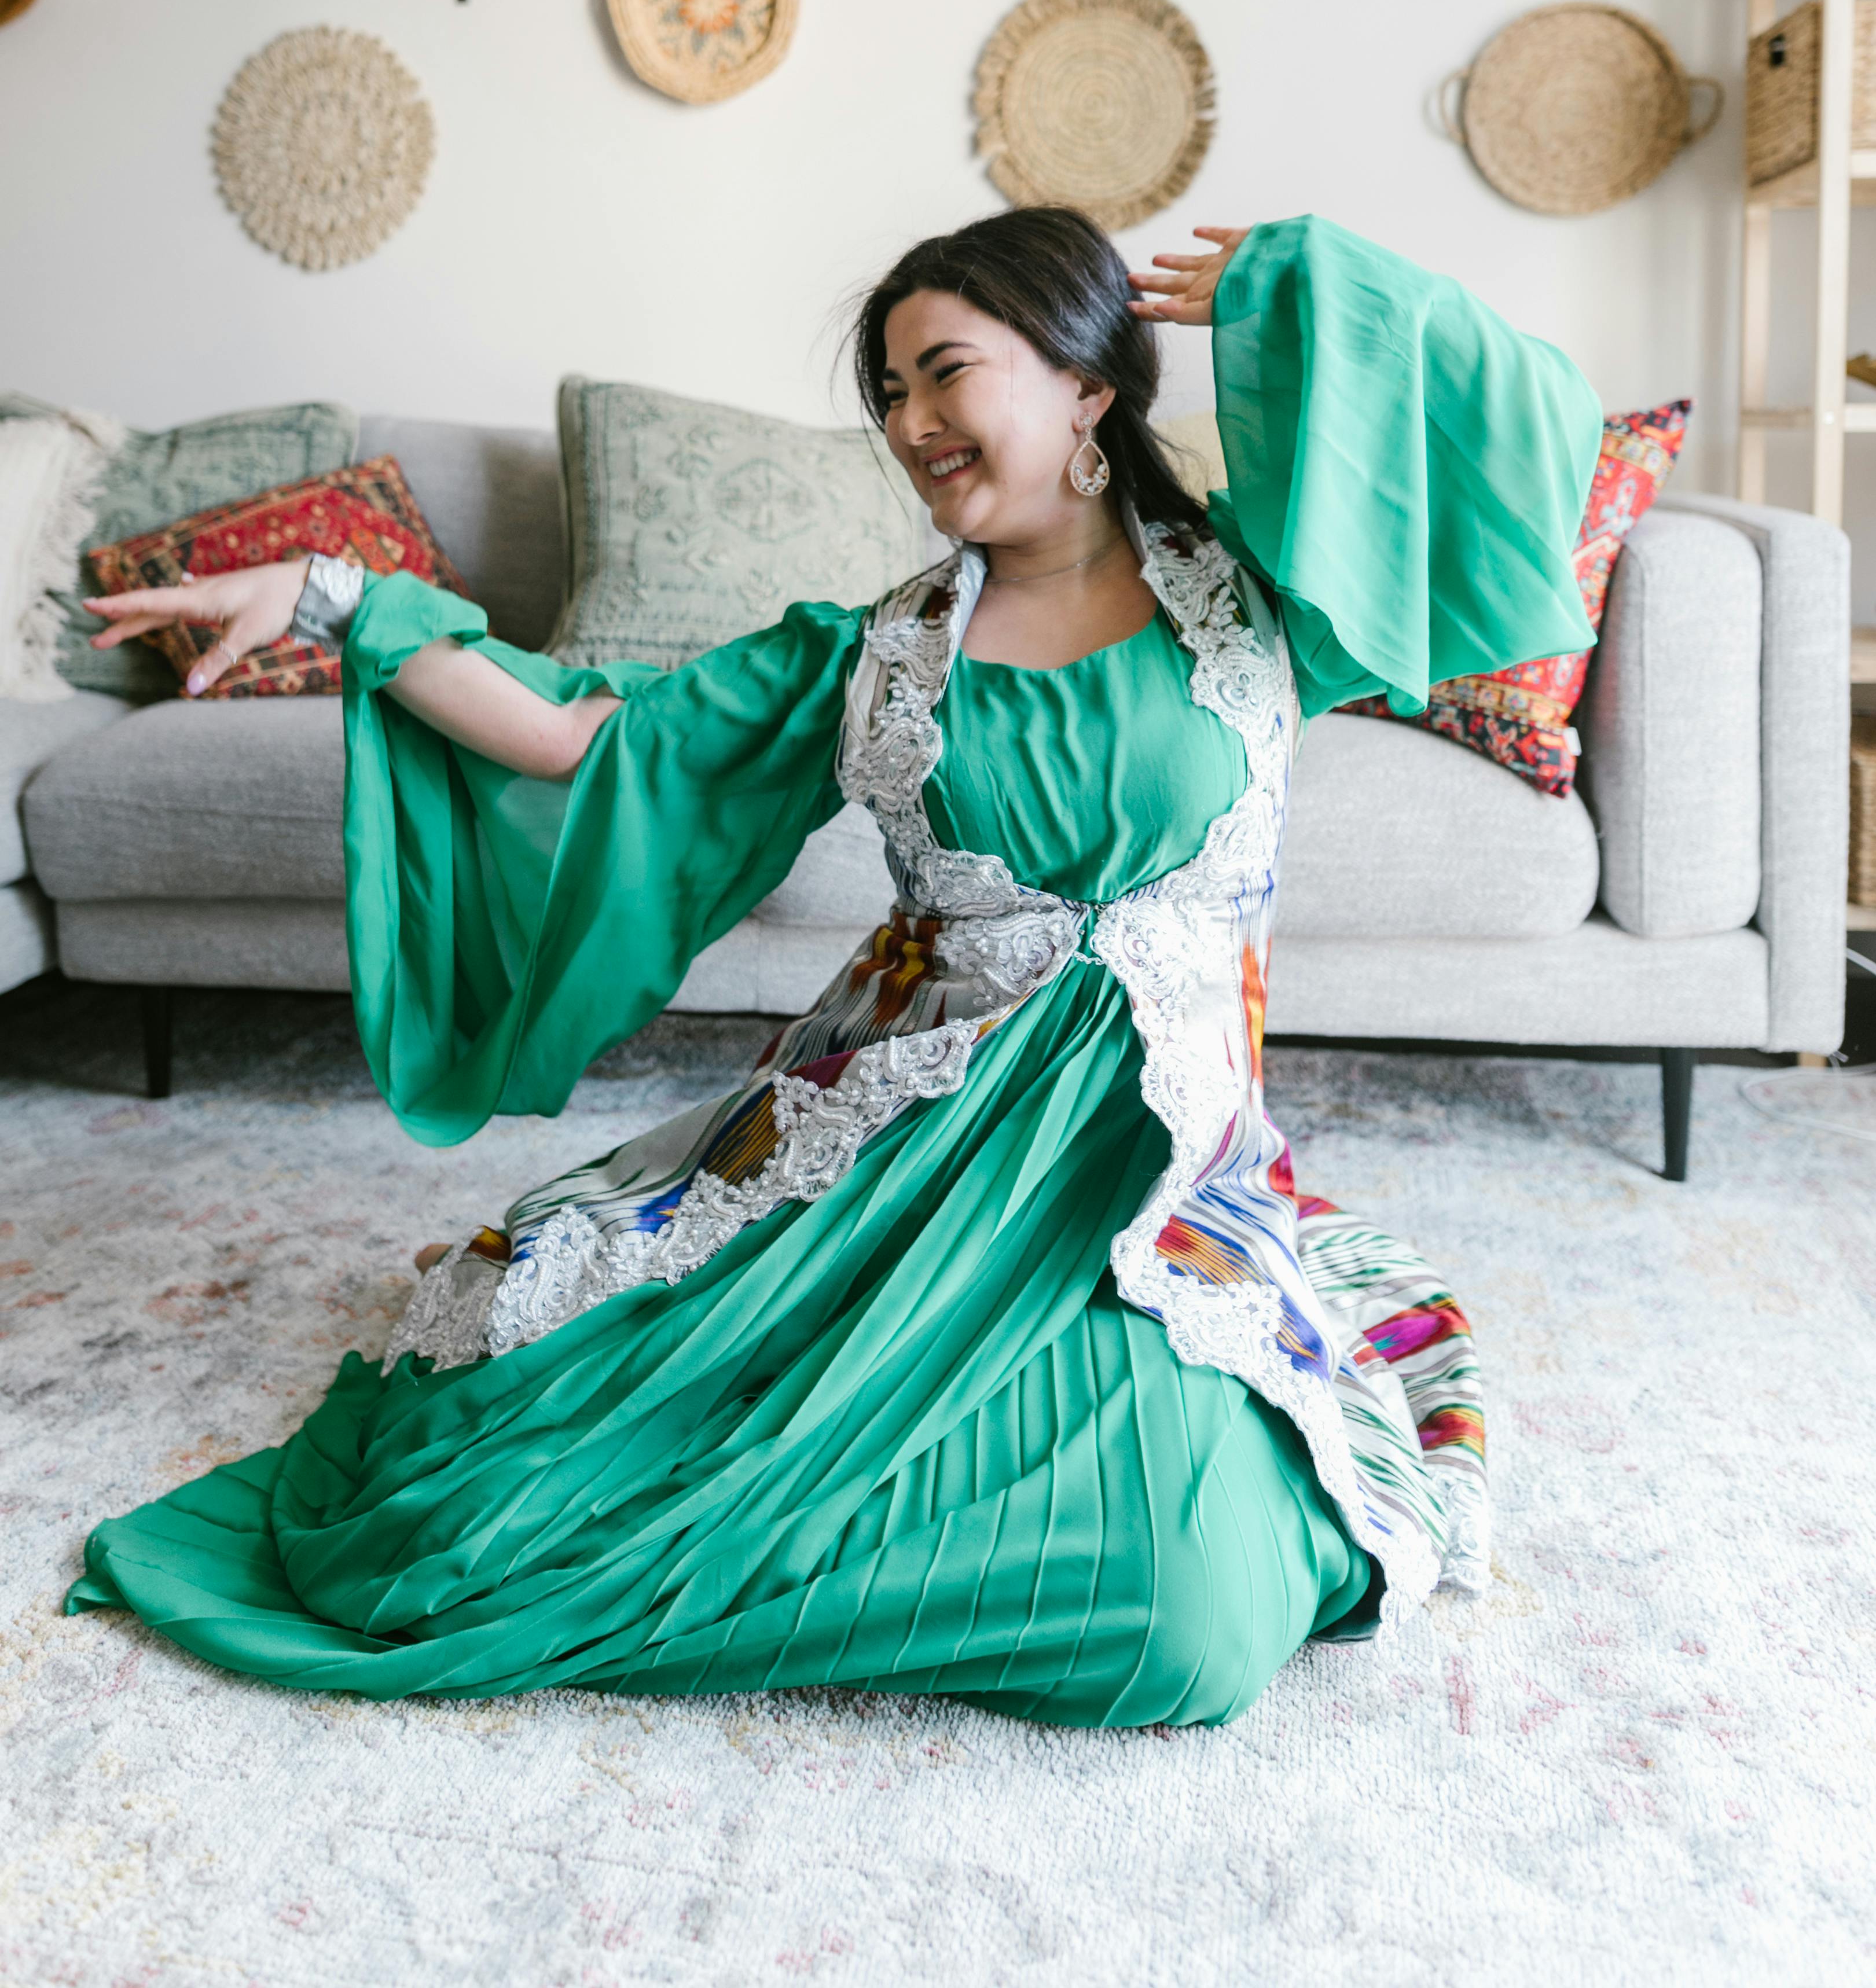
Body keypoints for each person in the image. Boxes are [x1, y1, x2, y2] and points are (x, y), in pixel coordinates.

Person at [63, 213, 1599, 1726]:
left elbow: (1518, 460)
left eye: (945, 372)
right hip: (898, 1166)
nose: (910, 422)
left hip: (1148, 1189)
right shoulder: (871, 656)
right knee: (473, 1514)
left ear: (1086, 384)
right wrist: (338, 602)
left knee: (1189, 1629)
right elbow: (585, 745)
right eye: (887, 393)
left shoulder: (1267, 601)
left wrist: (1308, 284)